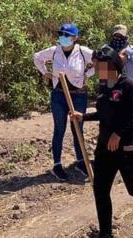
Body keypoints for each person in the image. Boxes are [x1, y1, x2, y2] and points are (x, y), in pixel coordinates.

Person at [71, 46, 133, 238]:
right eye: (96, 66)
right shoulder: (103, 87)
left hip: (129, 147)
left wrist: (118, 133)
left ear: (111, 65)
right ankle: (105, 234)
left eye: (99, 66)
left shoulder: (129, 86)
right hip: (105, 148)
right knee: (100, 190)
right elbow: (104, 114)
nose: (96, 70)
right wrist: (83, 117)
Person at [33, 23, 94, 181]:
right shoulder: (54, 51)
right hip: (59, 95)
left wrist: (88, 74)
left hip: (78, 95)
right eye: (61, 34)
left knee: (77, 129)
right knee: (59, 129)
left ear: (74, 38)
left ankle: (81, 162)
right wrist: (45, 72)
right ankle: (57, 165)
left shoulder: (82, 51)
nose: (63, 38)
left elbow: (100, 61)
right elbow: (37, 57)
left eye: (67, 35)